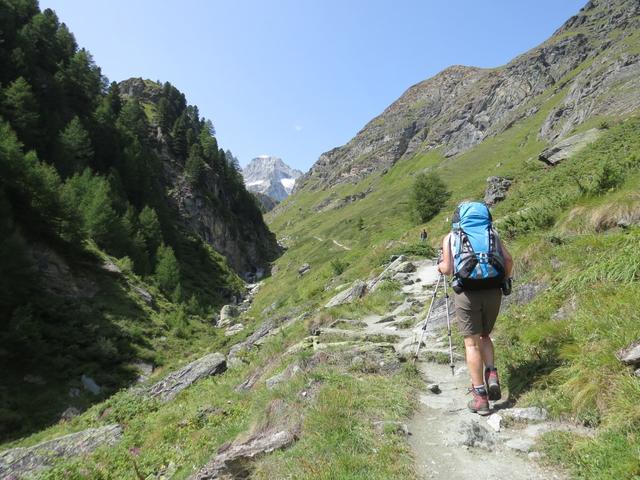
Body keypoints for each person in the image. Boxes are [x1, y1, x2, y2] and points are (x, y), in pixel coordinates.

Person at [437, 203, 513, 415]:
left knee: (471, 344)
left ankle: (480, 398)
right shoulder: (492, 233)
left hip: (467, 293)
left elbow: (448, 269)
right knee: (485, 336)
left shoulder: (451, 237)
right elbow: (508, 260)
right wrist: (505, 280)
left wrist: (439, 265)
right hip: (493, 291)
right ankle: (491, 374)